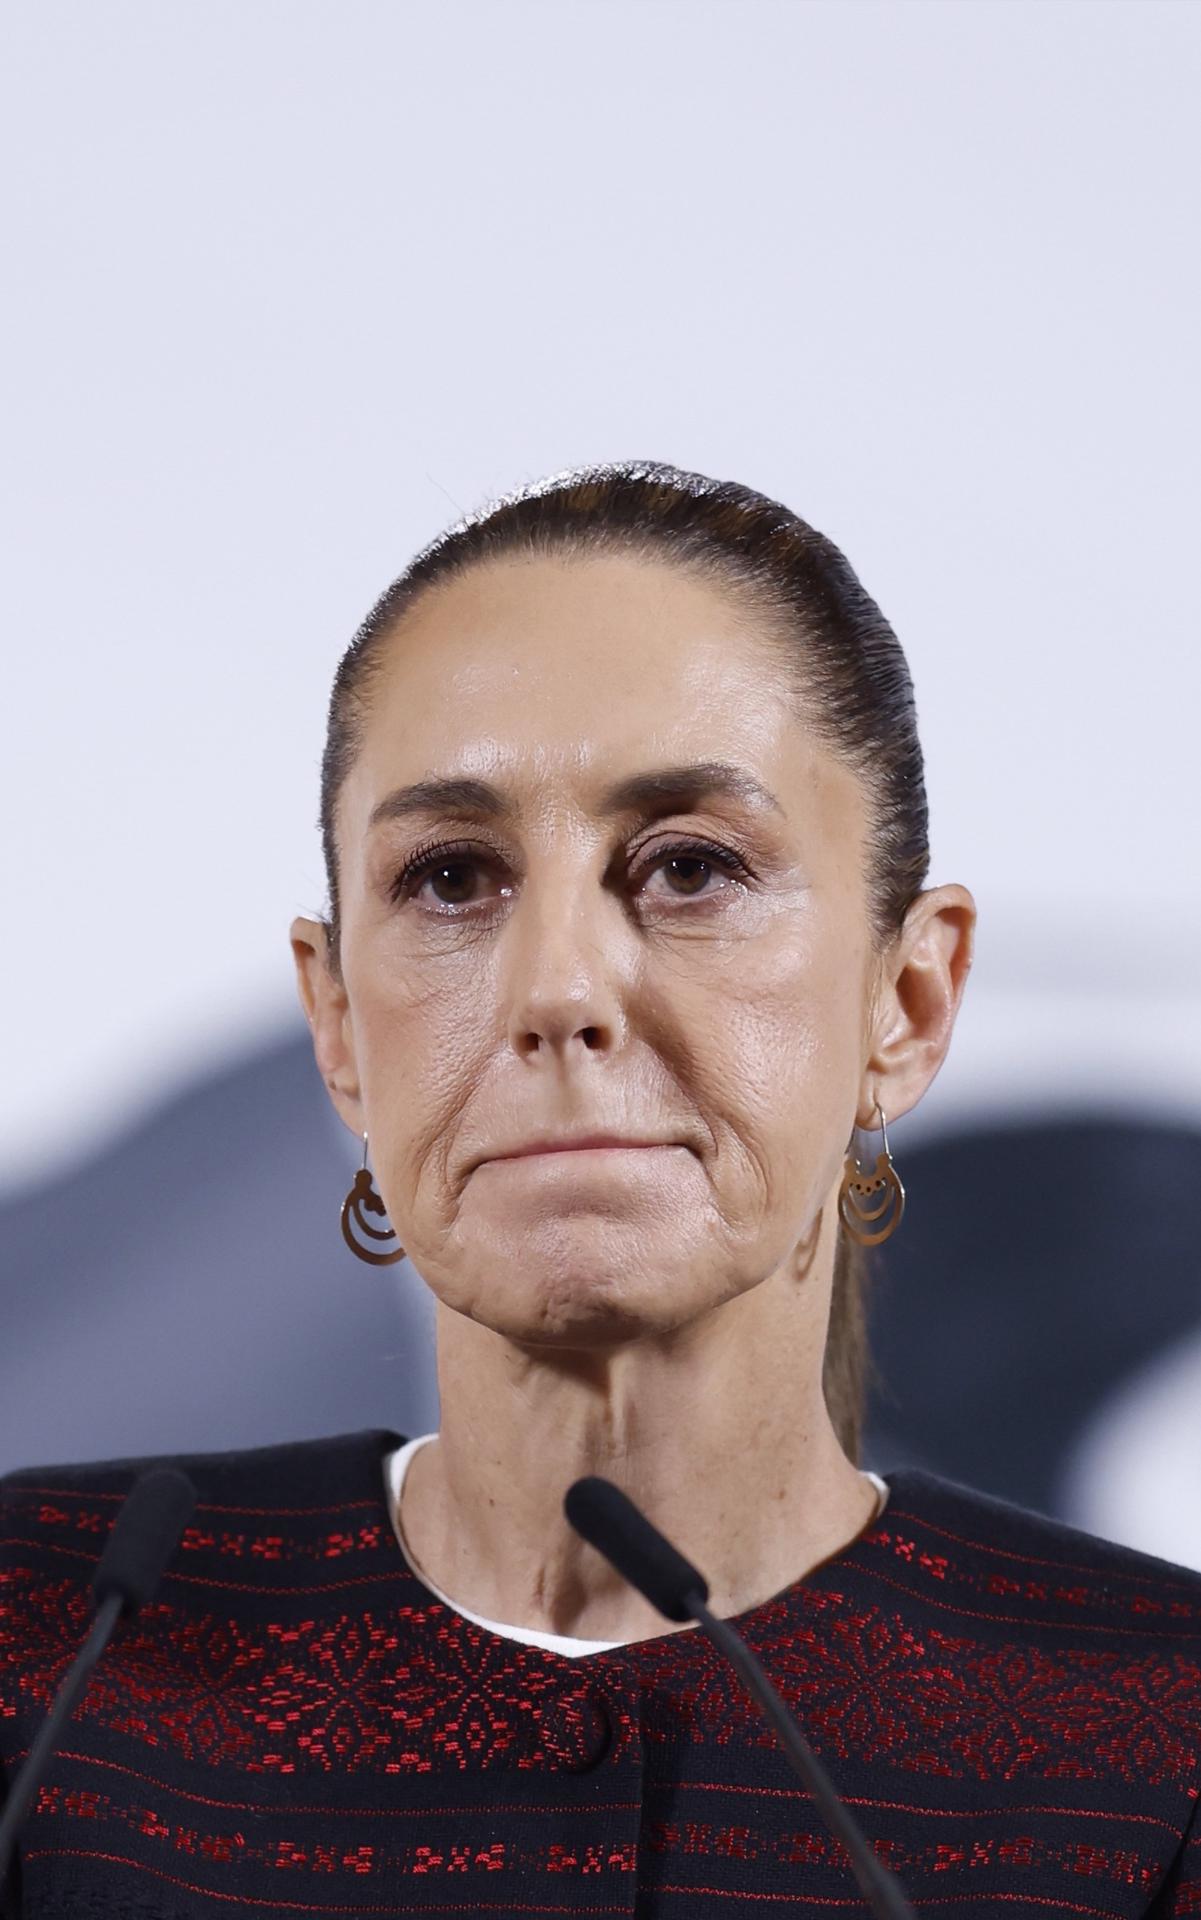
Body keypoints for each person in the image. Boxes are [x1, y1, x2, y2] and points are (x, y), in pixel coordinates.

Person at [2, 460, 1199, 1919]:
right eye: (450, 881)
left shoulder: (1154, 1732)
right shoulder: (41, 1645)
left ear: (907, 998)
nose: (556, 988)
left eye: (689, 867)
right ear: (337, 1029)